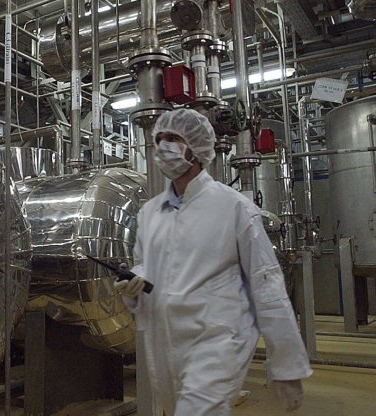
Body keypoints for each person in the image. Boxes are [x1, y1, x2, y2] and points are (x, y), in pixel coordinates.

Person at [115, 108, 312, 415]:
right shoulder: (150, 213)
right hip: (164, 342)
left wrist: (286, 365)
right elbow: (146, 268)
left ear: (197, 147)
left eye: (173, 138)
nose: (163, 147)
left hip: (217, 339)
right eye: (159, 139)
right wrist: (135, 283)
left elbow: (266, 284)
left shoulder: (233, 207)